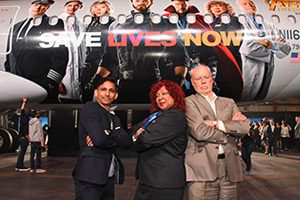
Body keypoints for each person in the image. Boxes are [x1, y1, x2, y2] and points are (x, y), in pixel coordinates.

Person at [184, 65, 249, 199]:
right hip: (202, 168)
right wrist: (230, 131)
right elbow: (199, 132)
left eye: (206, 77)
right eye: (198, 79)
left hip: (229, 166)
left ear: (212, 79)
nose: (203, 81)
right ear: (192, 82)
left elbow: (244, 127)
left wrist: (216, 124)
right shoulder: (189, 103)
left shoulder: (229, 102)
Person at [164, 0, 243, 101]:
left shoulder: (199, 19)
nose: (180, 7)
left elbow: (212, 46)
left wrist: (212, 74)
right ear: (173, 4)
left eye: (183, 4)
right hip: (176, 62)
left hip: (196, 61)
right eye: (177, 4)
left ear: (188, 3)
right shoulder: (166, 19)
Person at [112, 0, 187, 103]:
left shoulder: (165, 23)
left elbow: (180, 55)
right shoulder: (117, 25)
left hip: (156, 82)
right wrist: (97, 81)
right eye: (138, 0)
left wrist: (178, 81)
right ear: (132, 2)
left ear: (151, 2)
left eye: (145, 0)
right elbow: (109, 57)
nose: (141, 2)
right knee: (125, 115)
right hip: (125, 83)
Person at [72, 76, 133, 200]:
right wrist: (110, 136)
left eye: (111, 91)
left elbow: (127, 142)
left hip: (108, 178)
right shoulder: (90, 108)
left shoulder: (114, 118)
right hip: (89, 178)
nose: (107, 94)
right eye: (103, 89)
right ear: (96, 92)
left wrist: (107, 134)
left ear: (116, 95)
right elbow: (100, 139)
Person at [131, 80, 187, 200]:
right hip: (149, 180)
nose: (159, 97)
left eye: (164, 93)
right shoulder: (157, 116)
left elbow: (146, 138)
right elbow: (134, 132)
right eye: (157, 95)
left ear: (174, 96)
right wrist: (137, 135)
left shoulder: (175, 116)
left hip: (164, 184)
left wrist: (139, 135)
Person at [4, 0, 68, 103]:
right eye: (37, 4)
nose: (38, 8)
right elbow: (9, 56)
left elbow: (61, 57)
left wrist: (50, 82)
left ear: (47, 8)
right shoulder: (16, 27)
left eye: (44, 5)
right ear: (32, 5)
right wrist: (10, 79)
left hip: (41, 87)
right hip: (17, 87)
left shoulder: (53, 24)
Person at [236, 0, 291, 101]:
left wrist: (270, 45)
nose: (249, 5)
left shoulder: (268, 25)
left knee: (260, 96)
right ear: (239, 7)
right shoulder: (240, 22)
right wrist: (273, 46)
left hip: (268, 67)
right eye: (245, 4)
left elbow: (286, 47)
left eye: (251, 3)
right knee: (248, 94)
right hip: (251, 66)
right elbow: (247, 48)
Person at [81, 0, 115, 103]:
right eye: (96, 7)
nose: (99, 10)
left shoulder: (112, 23)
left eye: (102, 7)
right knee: (85, 96)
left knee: (102, 97)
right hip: (88, 64)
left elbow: (111, 51)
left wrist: (102, 70)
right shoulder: (90, 22)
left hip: (103, 65)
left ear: (108, 9)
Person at [58, 0, 85, 103]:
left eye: (76, 6)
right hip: (65, 72)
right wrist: (58, 80)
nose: (72, 8)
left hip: (79, 68)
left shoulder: (80, 23)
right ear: (63, 6)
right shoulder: (58, 22)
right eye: (69, 5)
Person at [205, 0, 243, 71]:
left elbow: (233, 41)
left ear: (226, 7)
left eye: (220, 5)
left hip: (229, 57)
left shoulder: (233, 20)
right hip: (214, 58)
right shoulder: (209, 22)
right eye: (213, 6)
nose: (216, 8)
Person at [15, 96, 30, 172]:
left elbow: (22, 110)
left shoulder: (22, 118)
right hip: (24, 138)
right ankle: (20, 166)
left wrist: (24, 102)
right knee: (22, 153)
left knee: (21, 152)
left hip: (21, 137)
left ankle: (18, 165)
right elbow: (25, 130)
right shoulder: (26, 120)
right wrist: (27, 137)